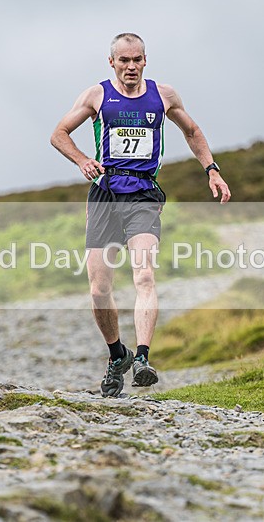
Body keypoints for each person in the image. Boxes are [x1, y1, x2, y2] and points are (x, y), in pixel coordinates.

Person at [50, 33, 231, 397]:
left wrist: (211, 168)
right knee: (100, 288)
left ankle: (143, 358)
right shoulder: (96, 96)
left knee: (144, 275)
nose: (130, 67)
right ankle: (118, 355)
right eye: (124, 61)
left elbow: (192, 131)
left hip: (144, 193)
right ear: (112, 63)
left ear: (146, 60)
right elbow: (59, 133)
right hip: (104, 194)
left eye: (137, 60)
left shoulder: (163, 96)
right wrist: (83, 160)